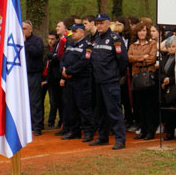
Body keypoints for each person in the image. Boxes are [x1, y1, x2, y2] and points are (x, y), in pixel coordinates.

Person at [89, 13, 128, 150]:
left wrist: (119, 74)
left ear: (108, 23)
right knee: (100, 111)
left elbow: (123, 60)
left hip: (110, 81)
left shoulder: (115, 38)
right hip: (98, 81)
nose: (99, 25)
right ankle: (102, 137)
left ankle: (120, 139)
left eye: (101, 23)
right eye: (97, 23)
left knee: (114, 110)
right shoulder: (97, 39)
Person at [59, 24, 95, 142]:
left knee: (84, 107)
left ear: (82, 33)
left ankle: (89, 132)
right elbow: (63, 59)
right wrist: (63, 71)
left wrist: (69, 71)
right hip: (69, 80)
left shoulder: (87, 45)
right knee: (71, 106)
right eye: (72, 31)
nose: (72, 33)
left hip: (82, 80)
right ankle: (74, 131)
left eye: (75, 31)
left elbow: (84, 61)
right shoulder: (69, 43)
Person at [128, 22, 158, 140]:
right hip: (136, 76)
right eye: (140, 31)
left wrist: (137, 59)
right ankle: (143, 129)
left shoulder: (152, 43)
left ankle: (151, 131)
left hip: (148, 77)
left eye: (144, 30)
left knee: (149, 105)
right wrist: (142, 57)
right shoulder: (132, 45)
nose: (142, 33)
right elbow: (129, 58)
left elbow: (152, 58)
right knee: (139, 105)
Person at [22, 20, 45, 135]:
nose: (22, 31)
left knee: (35, 101)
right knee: (23, 102)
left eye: (25, 28)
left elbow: (38, 52)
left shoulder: (37, 40)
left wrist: (25, 43)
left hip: (34, 74)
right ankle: (26, 125)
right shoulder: (16, 41)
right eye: (21, 28)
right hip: (21, 75)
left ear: (30, 29)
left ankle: (37, 126)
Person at [160, 36, 176, 140]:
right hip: (165, 87)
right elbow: (161, 72)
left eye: (173, 46)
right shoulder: (165, 58)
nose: (171, 48)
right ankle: (169, 133)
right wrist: (164, 79)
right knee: (167, 111)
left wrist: (170, 80)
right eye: (169, 46)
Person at [45, 31, 62, 129]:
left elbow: (56, 58)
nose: (50, 41)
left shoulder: (58, 48)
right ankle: (50, 122)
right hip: (46, 77)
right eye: (49, 39)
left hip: (55, 77)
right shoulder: (45, 48)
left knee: (55, 101)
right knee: (51, 101)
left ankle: (58, 121)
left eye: (52, 39)